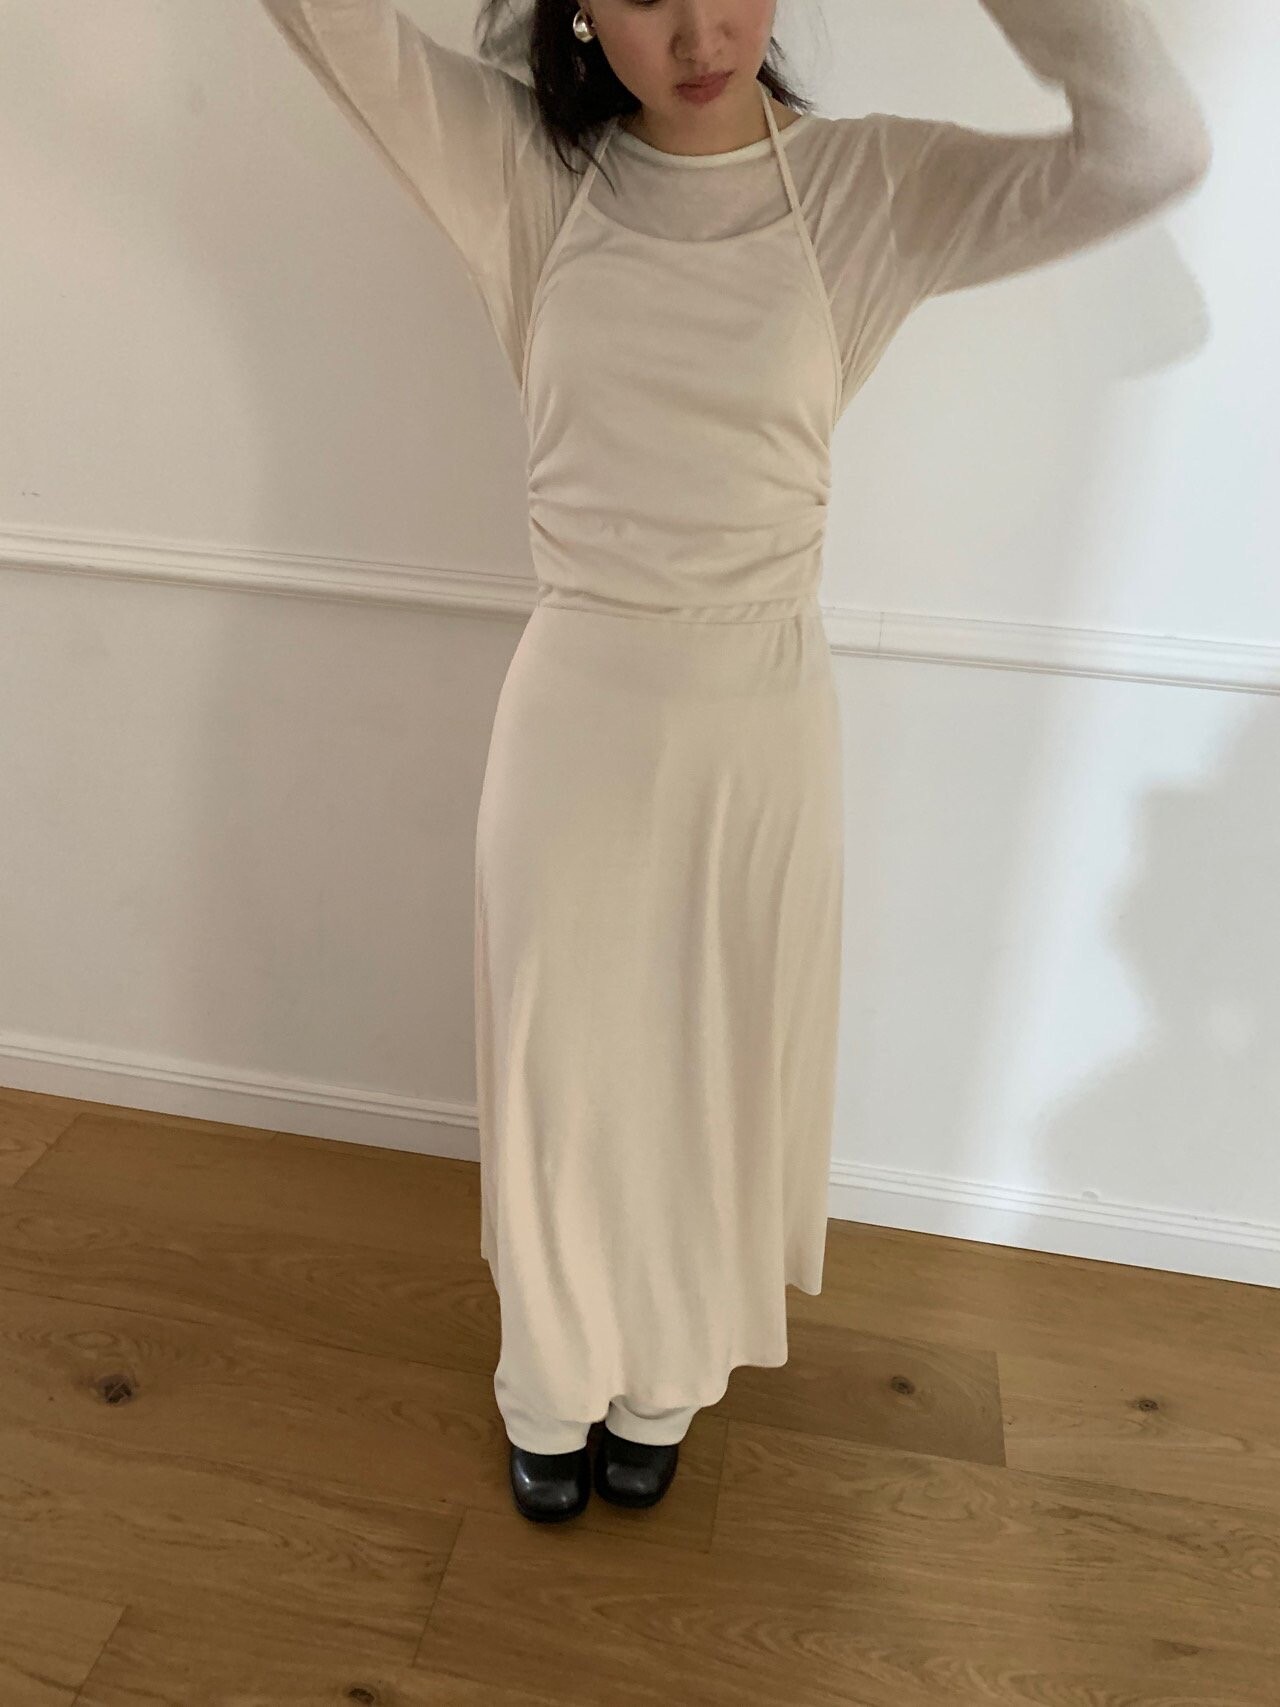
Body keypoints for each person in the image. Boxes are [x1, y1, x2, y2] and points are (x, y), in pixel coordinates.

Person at [255, 0, 1211, 1523]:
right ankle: (547, 1383)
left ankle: (666, 1382)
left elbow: (1150, 150)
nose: (701, 29)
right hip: (578, 717)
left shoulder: (864, 193)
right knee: (569, 1084)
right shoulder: (528, 177)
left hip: (762, 720)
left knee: (713, 1076)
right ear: (580, 8)